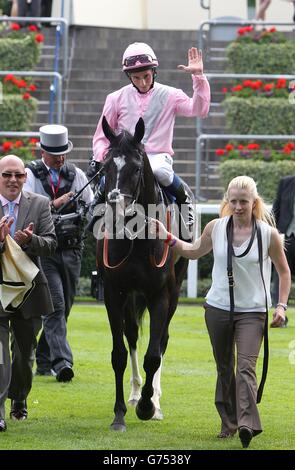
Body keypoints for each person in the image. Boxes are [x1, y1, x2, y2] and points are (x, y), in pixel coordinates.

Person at [150, 175, 290, 449]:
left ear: (254, 203)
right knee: (224, 367)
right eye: (233, 201)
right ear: (227, 201)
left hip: (253, 311)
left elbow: (284, 272)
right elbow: (192, 251)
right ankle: (229, 423)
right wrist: (167, 238)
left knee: (246, 368)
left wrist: (281, 306)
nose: (238, 207)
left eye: (244, 202)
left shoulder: (267, 234)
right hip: (217, 308)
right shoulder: (216, 228)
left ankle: (248, 424)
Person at [91, 42, 210, 237]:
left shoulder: (171, 95)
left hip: (157, 156)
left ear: (154, 72)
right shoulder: (115, 98)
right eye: (136, 78)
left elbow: (199, 110)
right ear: (129, 76)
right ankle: (93, 213)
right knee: (108, 179)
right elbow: (101, 136)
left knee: (159, 171)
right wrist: (103, 157)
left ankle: (185, 201)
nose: (143, 82)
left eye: (146, 76)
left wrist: (198, 77)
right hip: (126, 155)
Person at [24, 124, 94, 382]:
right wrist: (56, 203)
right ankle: (62, 363)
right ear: (43, 151)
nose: (61, 157)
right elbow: (28, 207)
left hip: (72, 247)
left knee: (65, 307)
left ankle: (43, 359)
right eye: (55, 153)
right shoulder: (30, 174)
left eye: (64, 152)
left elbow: (90, 201)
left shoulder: (75, 174)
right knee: (56, 305)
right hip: (45, 249)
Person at [0, 154, 56, 433]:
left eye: (19, 175)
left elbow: (51, 244)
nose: (13, 180)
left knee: (24, 353)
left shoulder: (40, 204)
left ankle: (19, 399)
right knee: (0, 354)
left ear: (25, 177)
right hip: (0, 291)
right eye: (7, 174)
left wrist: (30, 240)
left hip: (29, 291)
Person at [272, 175, 295, 326]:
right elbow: (276, 210)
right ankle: (280, 317)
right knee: (280, 276)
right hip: (287, 237)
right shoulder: (286, 182)